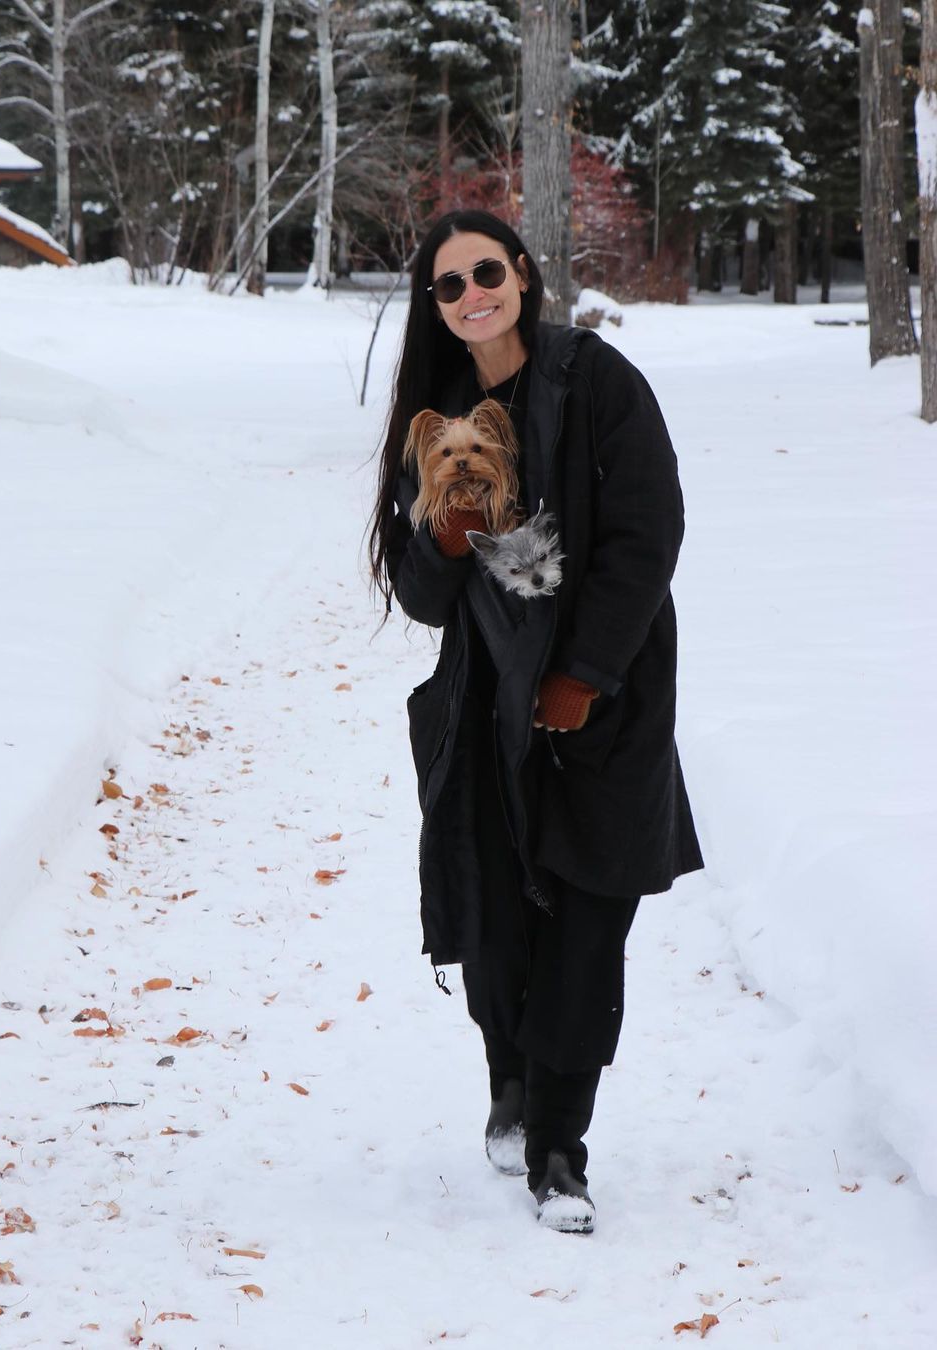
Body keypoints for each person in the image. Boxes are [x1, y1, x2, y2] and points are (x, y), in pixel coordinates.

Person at [368, 209, 703, 1233]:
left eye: (487, 270)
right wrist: (449, 544)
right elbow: (423, 595)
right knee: (499, 917)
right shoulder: (434, 416)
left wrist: (589, 670)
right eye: (448, 284)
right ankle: (508, 1075)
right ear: (435, 307)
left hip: (604, 699)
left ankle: (561, 1146)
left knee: (589, 917)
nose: (473, 293)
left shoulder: (593, 380)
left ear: (521, 271)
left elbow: (649, 532)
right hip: (488, 702)